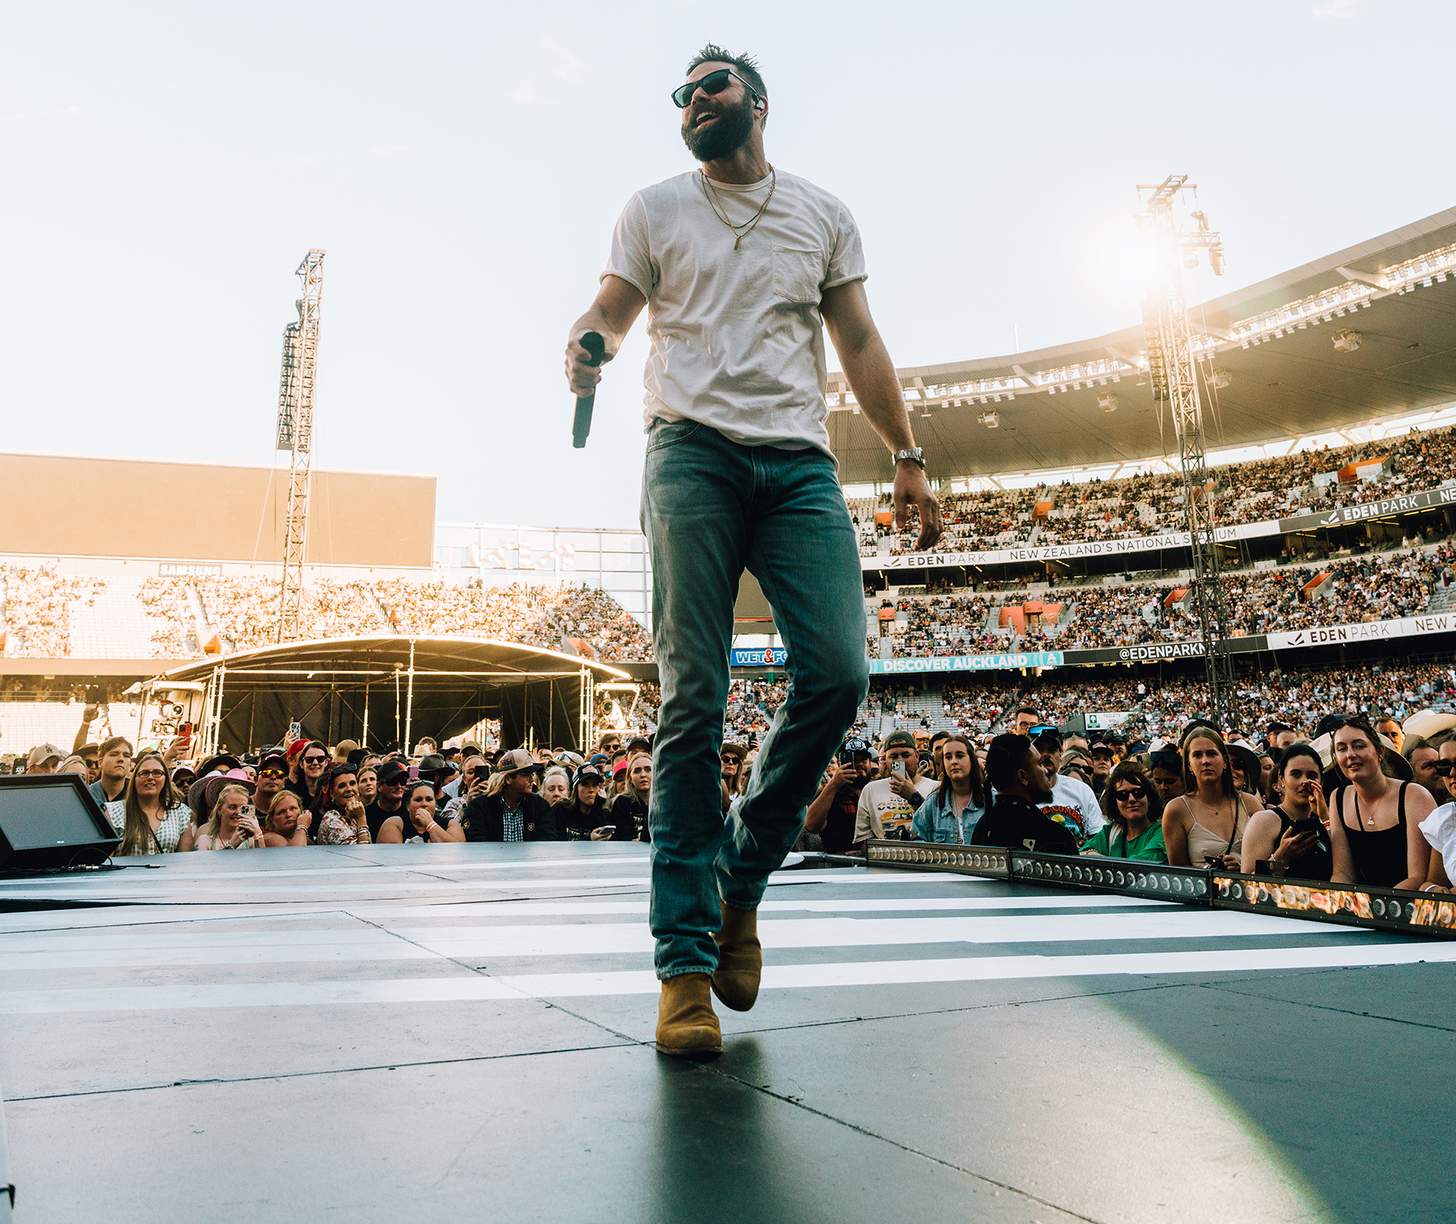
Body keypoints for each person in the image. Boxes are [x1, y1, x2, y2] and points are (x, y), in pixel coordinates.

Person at [565, 43, 939, 1058]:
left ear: (757, 103)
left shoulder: (821, 212)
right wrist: (589, 341)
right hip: (689, 454)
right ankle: (683, 964)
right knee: (693, 695)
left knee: (837, 671)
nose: (692, 102)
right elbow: (611, 306)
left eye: (710, 87)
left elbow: (858, 342)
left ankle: (743, 874)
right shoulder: (652, 208)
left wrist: (906, 456)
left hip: (798, 466)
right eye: (680, 95)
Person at [1325, 716, 1433, 890]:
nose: (1350, 754)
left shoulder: (1414, 796)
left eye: (1359, 746)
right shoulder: (1338, 798)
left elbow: (1418, 876)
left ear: (1380, 752)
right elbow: (1342, 873)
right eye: (1341, 748)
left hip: (1408, 906)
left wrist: (1376, 908)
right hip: (1362, 910)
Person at [1161, 728, 1263, 869]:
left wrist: (1243, 867)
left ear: (1225, 762)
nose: (1205, 761)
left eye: (1211, 753)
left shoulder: (1250, 803)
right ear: (1189, 765)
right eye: (1197, 755)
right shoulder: (1177, 810)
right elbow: (1181, 876)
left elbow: (1267, 860)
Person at [1241, 744, 1336, 881]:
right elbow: (1246, 884)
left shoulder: (1328, 819)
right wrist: (1280, 858)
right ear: (1281, 779)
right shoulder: (1265, 821)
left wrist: (1325, 817)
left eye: (1312, 775)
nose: (1304, 781)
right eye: (1296, 774)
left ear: (1321, 781)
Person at [972, 734, 1080, 854]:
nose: (1045, 770)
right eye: (1039, 764)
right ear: (1023, 776)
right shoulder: (1053, 835)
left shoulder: (983, 828)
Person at [853, 730, 939, 844]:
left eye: (905, 755)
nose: (900, 760)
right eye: (893, 756)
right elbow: (864, 839)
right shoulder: (871, 790)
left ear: (917, 756)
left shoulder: (936, 788)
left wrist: (914, 797)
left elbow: (941, 828)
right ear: (886, 760)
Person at [104, 750, 195, 855]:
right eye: (144, 773)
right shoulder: (113, 812)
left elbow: (184, 861)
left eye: (157, 773)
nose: (150, 777)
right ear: (134, 779)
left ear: (166, 779)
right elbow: (106, 860)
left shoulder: (180, 812)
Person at [461, 750, 557, 842]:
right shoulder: (480, 807)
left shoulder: (540, 805)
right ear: (508, 778)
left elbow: (548, 839)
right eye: (525, 774)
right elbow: (476, 843)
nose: (532, 779)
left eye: (532, 774)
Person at [1082, 762, 1167, 862]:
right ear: (1115, 802)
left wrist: (1097, 857)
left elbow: (1140, 864)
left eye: (1138, 792)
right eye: (1122, 794)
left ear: (1149, 797)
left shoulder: (1163, 831)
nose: (1131, 799)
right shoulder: (1110, 832)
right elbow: (1081, 853)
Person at [1032, 729, 1104, 844]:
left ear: (1060, 755)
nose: (1046, 754)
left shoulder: (1081, 790)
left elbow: (1099, 835)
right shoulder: (1022, 791)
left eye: (1052, 750)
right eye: (1039, 750)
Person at [803, 738, 874, 853]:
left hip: (875, 860)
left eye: (864, 760)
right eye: (854, 760)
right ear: (841, 764)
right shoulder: (832, 792)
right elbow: (811, 825)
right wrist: (833, 784)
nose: (860, 764)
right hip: (839, 863)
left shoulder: (877, 789)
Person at [912, 734, 986, 843]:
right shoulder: (933, 803)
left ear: (971, 759)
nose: (954, 761)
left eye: (960, 756)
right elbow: (917, 839)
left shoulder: (992, 800)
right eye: (948, 757)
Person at [378, 780, 465, 844]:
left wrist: (430, 824)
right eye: (418, 800)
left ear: (435, 804)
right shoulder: (395, 823)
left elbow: (456, 852)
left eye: (429, 799)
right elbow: (392, 857)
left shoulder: (450, 824)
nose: (424, 804)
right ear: (408, 806)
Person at [558, 765, 631, 841]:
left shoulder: (602, 813)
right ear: (576, 788)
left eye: (595, 784)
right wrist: (589, 839)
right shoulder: (561, 809)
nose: (591, 790)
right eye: (585, 784)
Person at [194, 783, 265, 850]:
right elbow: (202, 863)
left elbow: (262, 862)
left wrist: (258, 833)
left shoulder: (250, 841)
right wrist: (231, 846)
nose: (238, 812)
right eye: (232, 807)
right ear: (219, 809)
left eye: (243, 808)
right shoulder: (205, 841)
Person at [315, 764, 371, 845]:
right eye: (342, 786)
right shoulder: (332, 821)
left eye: (352, 783)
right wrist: (362, 820)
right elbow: (361, 855)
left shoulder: (353, 814)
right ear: (331, 793)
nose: (349, 789)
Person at [612, 751, 653, 842]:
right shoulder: (622, 802)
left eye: (648, 769)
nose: (643, 775)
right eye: (637, 771)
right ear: (630, 778)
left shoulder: (664, 803)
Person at [365, 760, 409, 841]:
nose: (399, 786)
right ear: (379, 786)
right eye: (393, 781)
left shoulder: (411, 812)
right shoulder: (365, 815)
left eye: (403, 781)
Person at [287, 740, 330, 818]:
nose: (315, 763)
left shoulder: (332, 792)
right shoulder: (291, 794)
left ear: (326, 762)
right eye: (309, 760)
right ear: (301, 764)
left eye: (320, 759)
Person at [87, 736, 133, 807]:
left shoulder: (138, 797)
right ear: (100, 762)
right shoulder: (86, 794)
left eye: (126, 756)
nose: (121, 759)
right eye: (114, 754)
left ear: (130, 764)